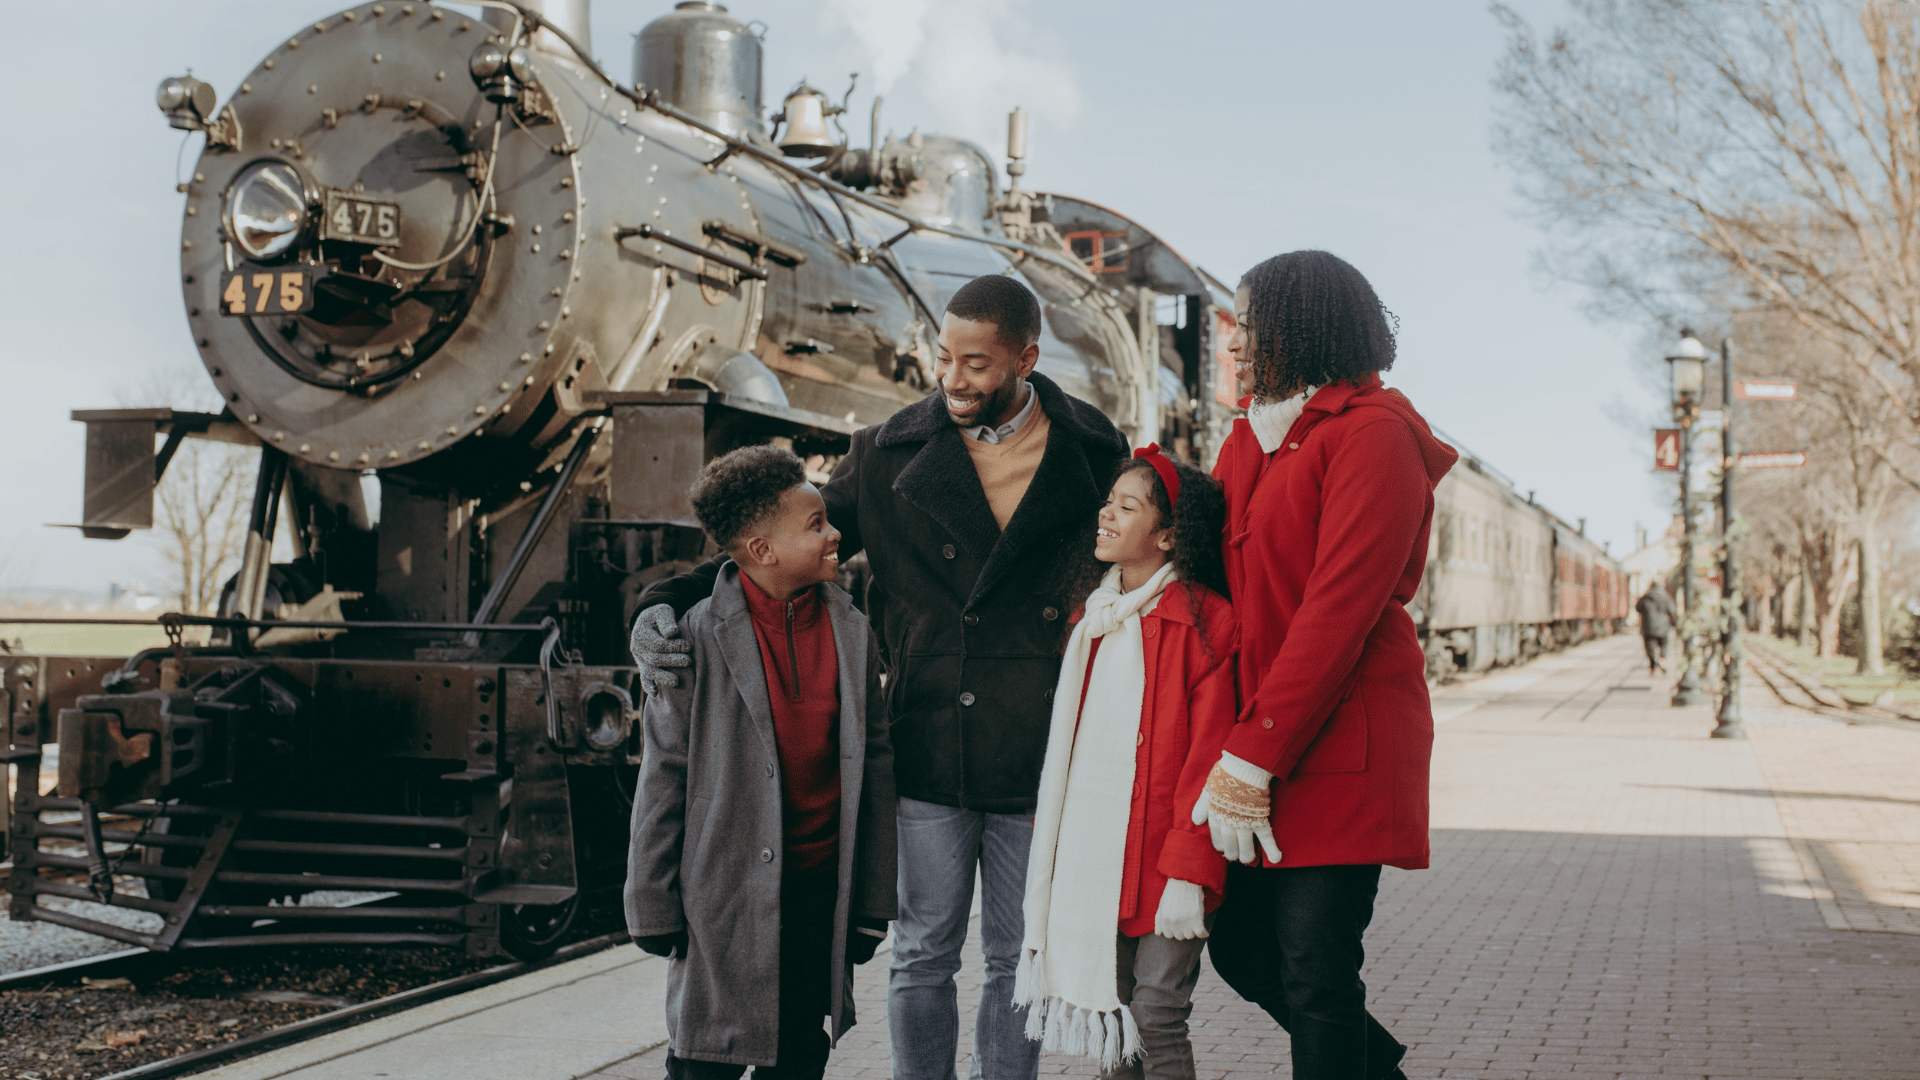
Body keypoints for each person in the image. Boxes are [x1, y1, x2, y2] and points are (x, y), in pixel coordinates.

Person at [630, 274, 1129, 1080]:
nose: (953, 379)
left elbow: (1138, 566)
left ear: (1026, 360)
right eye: (944, 358)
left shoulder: (1096, 451)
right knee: (924, 951)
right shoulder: (887, 451)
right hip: (930, 738)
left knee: (1018, 955)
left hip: (1042, 747)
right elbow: (771, 546)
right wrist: (664, 598)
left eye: (976, 364)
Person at [1187, 251, 1456, 1080]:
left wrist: (1250, 757)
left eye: (1251, 326)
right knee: (1241, 948)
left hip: (1340, 744)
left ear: (1304, 331)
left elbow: (1336, 616)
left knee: (1316, 970)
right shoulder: (1250, 440)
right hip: (1263, 741)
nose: (1235, 343)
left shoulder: (1376, 435)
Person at [625, 445, 898, 1080]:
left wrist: (871, 903)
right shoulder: (691, 637)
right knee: (704, 1058)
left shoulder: (852, 631)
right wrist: (651, 902)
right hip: (721, 895)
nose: (835, 534)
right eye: (817, 524)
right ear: (762, 550)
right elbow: (663, 774)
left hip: (817, 894)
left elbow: (876, 768)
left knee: (800, 1054)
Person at [1013, 446, 1238, 1080]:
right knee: (1113, 1019)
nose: (1105, 515)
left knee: (1157, 1014)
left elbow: (1212, 758)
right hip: (1098, 861)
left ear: (1168, 536)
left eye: (1127, 507)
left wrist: (1191, 870)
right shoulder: (1091, 620)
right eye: (1108, 502)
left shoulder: (1208, 623)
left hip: (1170, 862)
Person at [1636, 582, 1677, 674]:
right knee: (1664, 644)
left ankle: (1652, 666)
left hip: (1648, 627)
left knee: (1649, 646)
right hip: (1663, 627)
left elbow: (1638, 608)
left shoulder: (1645, 597)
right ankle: (1662, 659)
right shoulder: (1665, 597)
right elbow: (1672, 611)